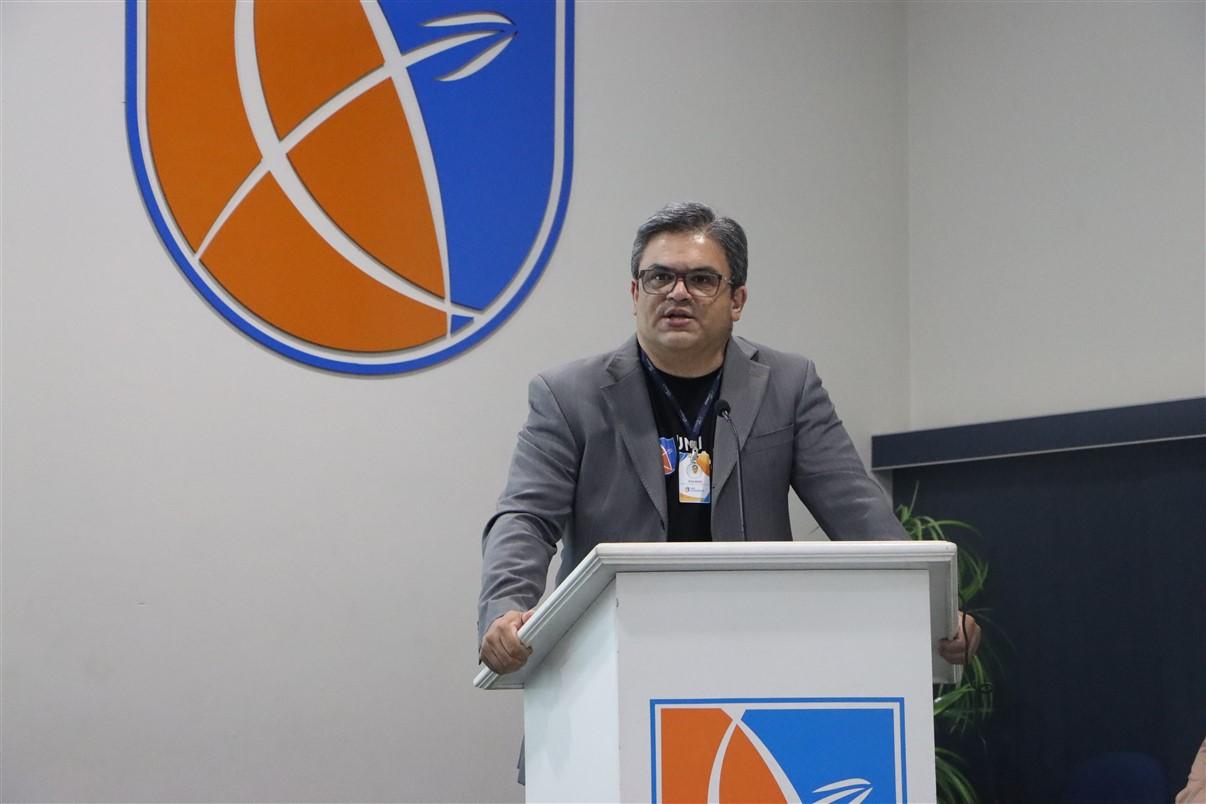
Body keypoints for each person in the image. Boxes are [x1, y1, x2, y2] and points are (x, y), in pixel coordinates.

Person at [478, 201, 981, 675]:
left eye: (701, 279)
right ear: (635, 294)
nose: (677, 293)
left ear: (736, 299)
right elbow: (525, 516)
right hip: (610, 659)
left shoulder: (788, 386)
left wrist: (932, 609)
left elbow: (856, 509)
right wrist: (507, 607)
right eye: (659, 277)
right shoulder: (569, 395)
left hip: (753, 658)